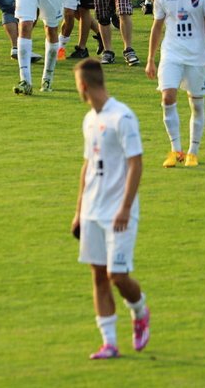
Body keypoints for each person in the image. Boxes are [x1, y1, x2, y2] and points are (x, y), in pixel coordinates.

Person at [71, 58, 150, 361]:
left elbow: (136, 163)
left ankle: (140, 310)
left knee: (117, 275)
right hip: (92, 209)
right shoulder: (89, 119)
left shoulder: (123, 117)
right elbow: (87, 166)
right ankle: (109, 343)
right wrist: (79, 211)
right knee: (98, 276)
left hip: (118, 212)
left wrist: (125, 208)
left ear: (84, 85)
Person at [145, 0, 205, 168]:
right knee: (167, 97)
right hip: (171, 54)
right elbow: (156, 27)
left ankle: (192, 151)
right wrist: (150, 58)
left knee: (196, 105)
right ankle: (176, 150)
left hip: (196, 56)